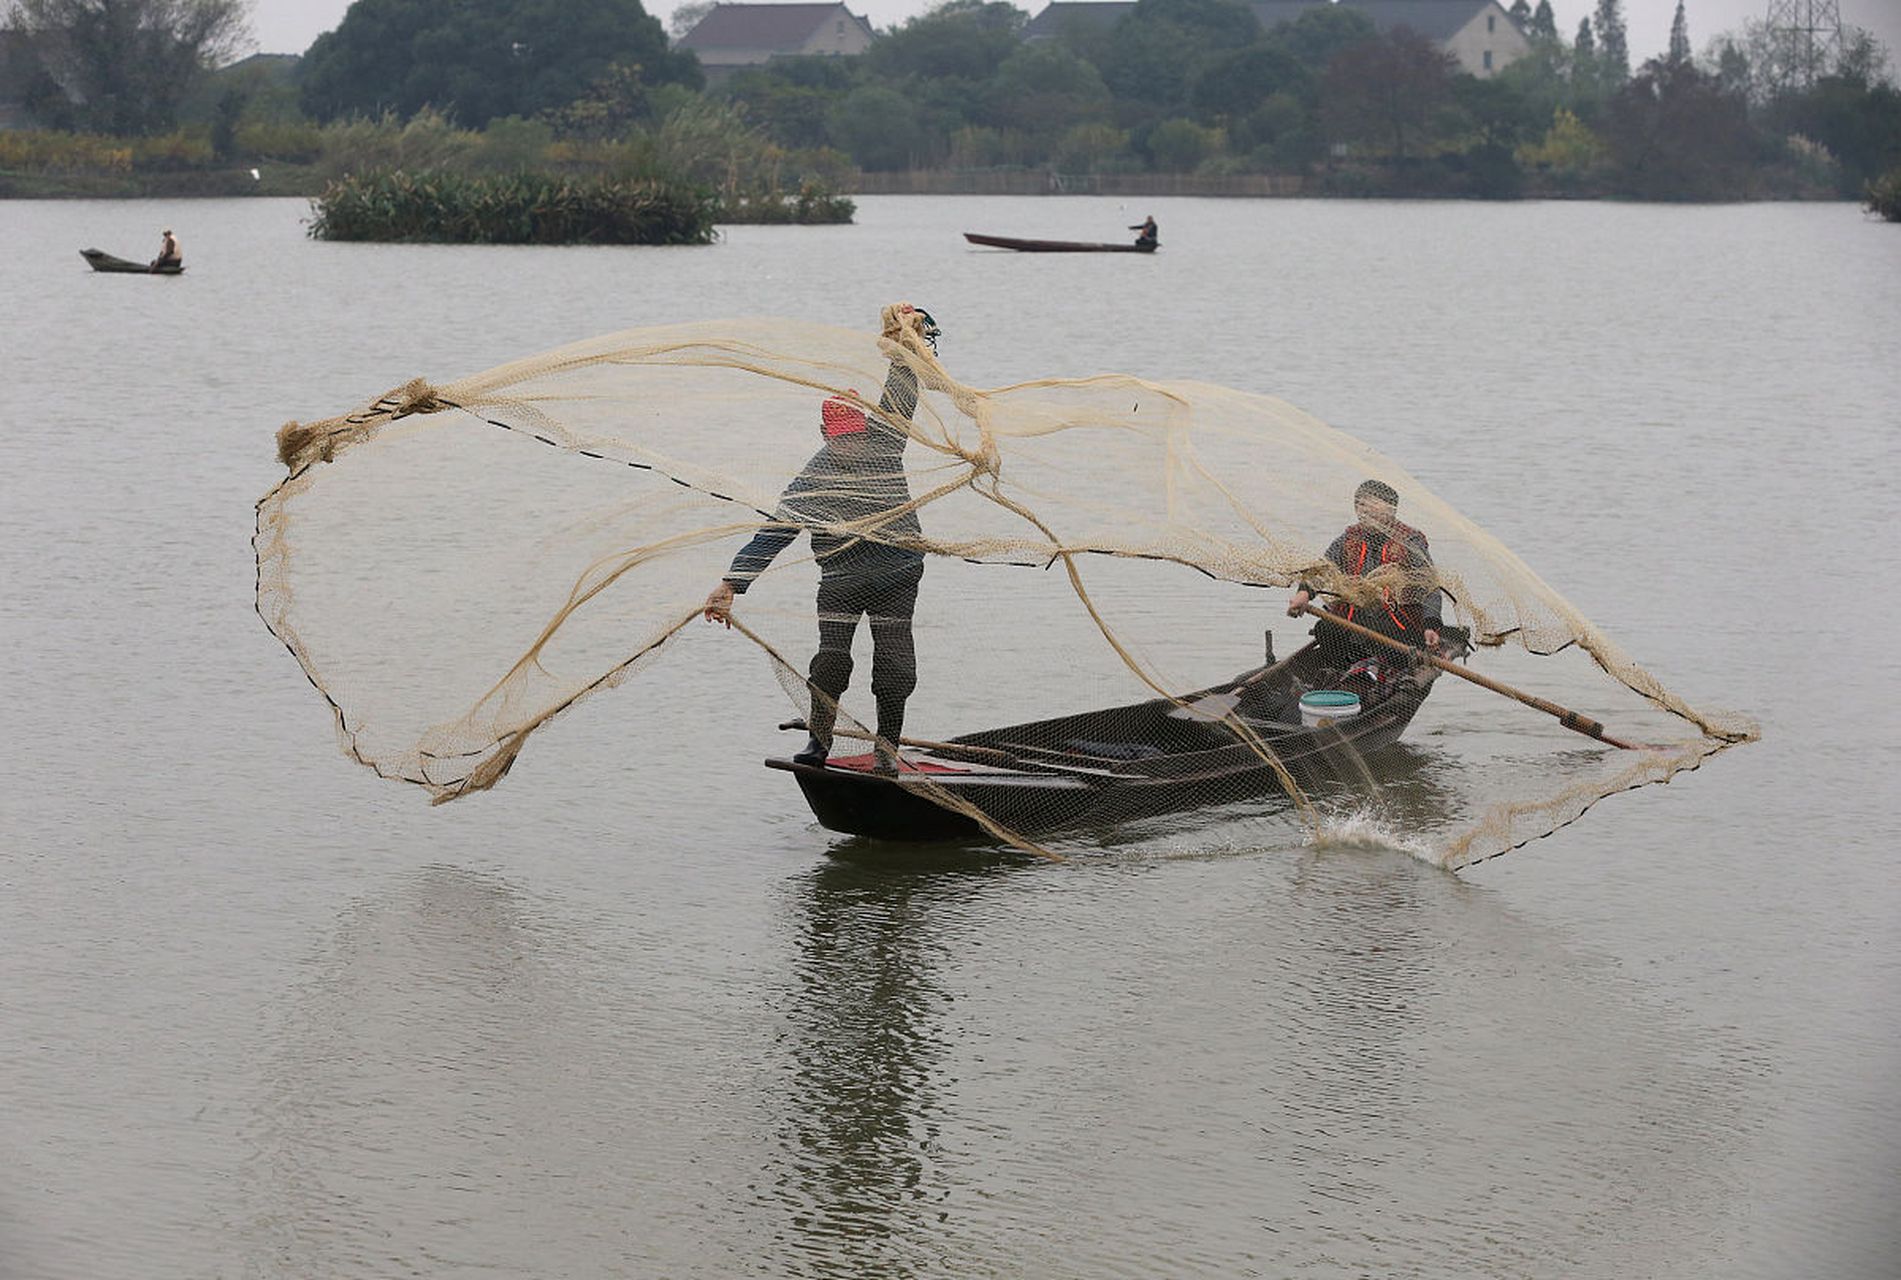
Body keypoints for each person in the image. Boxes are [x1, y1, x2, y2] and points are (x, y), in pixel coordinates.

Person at [703, 304, 942, 774]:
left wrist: (906, 339)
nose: (849, 444)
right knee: (831, 663)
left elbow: (903, 385)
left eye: (854, 434)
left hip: (897, 572)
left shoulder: (886, 441)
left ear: (866, 425)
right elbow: (774, 533)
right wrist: (731, 584)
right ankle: (818, 744)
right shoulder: (813, 479)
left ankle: (886, 750)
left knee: (893, 669)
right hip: (841, 577)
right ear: (824, 433)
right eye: (840, 437)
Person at [1287, 479, 1443, 668]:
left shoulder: (1410, 541)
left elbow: (1429, 586)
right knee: (1326, 629)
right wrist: (1303, 594)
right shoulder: (1348, 539)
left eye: (1372, 503)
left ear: (1391, 509)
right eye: (1360, 503)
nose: (1364, 509)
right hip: (1355, 617)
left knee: (1390, 643)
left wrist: (1431, 624)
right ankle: (1346, 669)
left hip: (1396, 621)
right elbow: (1322, 570)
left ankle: (1377, 669)